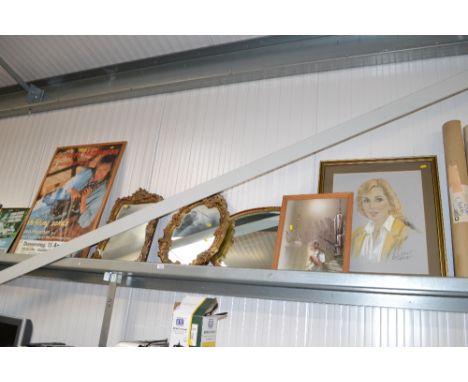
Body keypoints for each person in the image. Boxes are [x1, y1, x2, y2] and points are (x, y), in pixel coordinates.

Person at [26, 154, 116, 240]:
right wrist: (72, 190)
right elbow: (67, 186)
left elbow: (85, 221)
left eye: (104, 170)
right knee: (28, 220)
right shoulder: (88, 172)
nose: (99, 172)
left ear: (109, 173)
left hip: (58, 216)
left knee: (30, 234)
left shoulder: (102, 192)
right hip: (49, 203)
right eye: (99, 168)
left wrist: (83, 200)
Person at [351, 178, 412, 262]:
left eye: (379, 199)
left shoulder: (405, 233)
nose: (372, 206)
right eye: (366, 200)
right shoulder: (356, 235)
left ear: (390, 203)